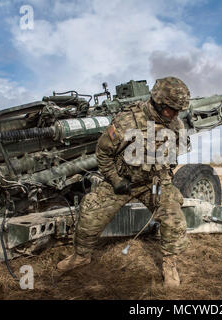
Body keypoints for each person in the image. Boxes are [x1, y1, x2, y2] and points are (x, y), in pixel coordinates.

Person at [57, 77, 191, 288]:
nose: (175, 115)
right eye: (171, 110)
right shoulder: (127, 121)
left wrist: (164, 175)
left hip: (154, 183)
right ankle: (81, 255)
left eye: (178, 111)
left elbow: (176, 152)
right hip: (123, 182)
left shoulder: (176, 125)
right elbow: (102, 153)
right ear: (158, 103)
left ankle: (170, 263)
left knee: (174, 218)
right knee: (90, 214)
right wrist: (115, 180)